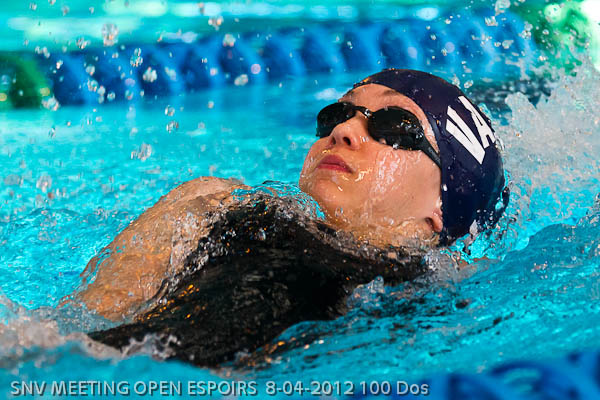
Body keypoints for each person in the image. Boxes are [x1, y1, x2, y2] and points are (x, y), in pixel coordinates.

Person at [78, 69, 509, 365]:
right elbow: (89, 319)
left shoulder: (439, 303)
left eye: (395, 128)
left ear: (441, 209)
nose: (344, 131)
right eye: (338, 115)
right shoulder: (223, 209)